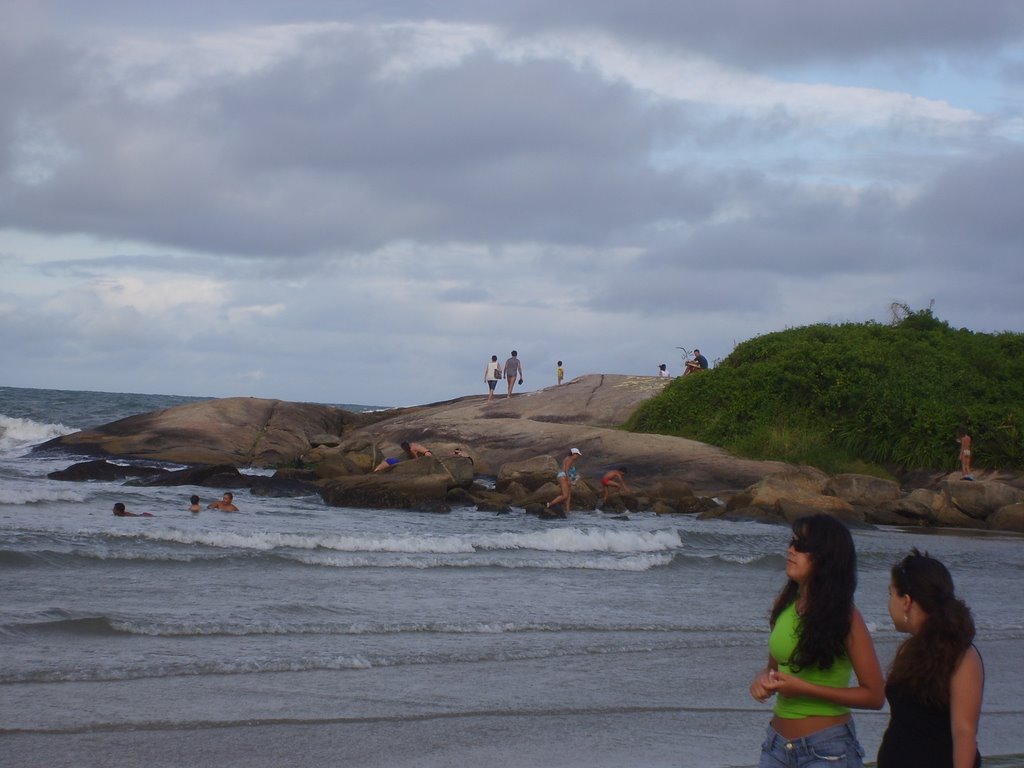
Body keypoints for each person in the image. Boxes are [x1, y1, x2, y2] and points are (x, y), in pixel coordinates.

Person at [749, 514, 884, 768]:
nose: (791, 549)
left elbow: (875, 696)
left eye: (801, 546)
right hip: (776, 747)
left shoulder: (847, 618)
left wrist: (806, 689)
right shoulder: (786, 607)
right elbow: (773, 669)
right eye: (792, 542)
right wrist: (762, 681)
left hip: (827, 750)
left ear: (825, 557)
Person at [877, 549, 983, 768]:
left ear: (906, 601)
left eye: (890, 594)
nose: (889, 602)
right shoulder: (909, 649)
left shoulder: (962, 655)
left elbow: (964, 731)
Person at [546, 447, 582, 513]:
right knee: (565, 495)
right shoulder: (569, 459)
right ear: (573, 454)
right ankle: (550, 504)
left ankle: (567, 510)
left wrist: (574, 477)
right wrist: (568, 480)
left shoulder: (570, 459)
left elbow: (570, 470)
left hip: (567, 476)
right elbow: (566, 470)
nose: (578, 456)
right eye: (577, 455)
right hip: (563, 476)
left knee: (568, 495)